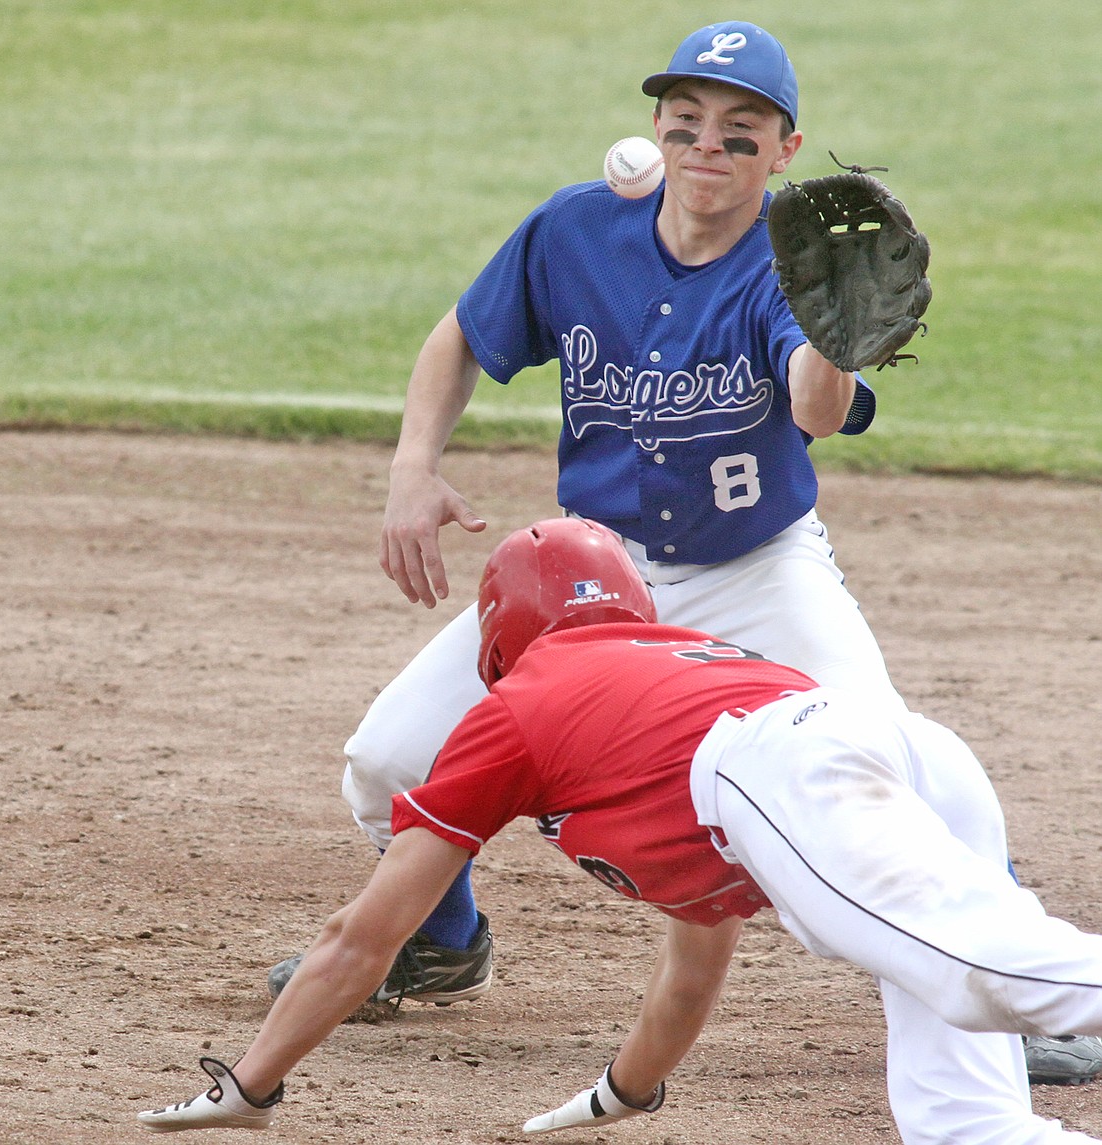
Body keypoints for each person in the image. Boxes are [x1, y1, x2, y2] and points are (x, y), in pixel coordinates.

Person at [284, 18, 1100, 1086]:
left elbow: (813, 409)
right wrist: (411, 465)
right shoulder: (577, 230)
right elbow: (461, 335)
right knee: (387, 760)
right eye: (689, 123)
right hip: (595, 579)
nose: (709, 144)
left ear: (786, 148)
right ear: (658, 131)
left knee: (889, 759)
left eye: (741, 129)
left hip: (757, 568)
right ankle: (442, 944)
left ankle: (1011, 990)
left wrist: (835, 341)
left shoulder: (790, 263)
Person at [140, 518, 1102, 1142]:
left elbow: (366, 933)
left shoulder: (519, 705)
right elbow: (692, 969)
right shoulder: (676, 677)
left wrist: (251, 1083)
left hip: (791, 763)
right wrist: (621, 1092)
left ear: (498, 636)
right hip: (897, 747)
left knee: (984, 971)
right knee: (961, 1115)